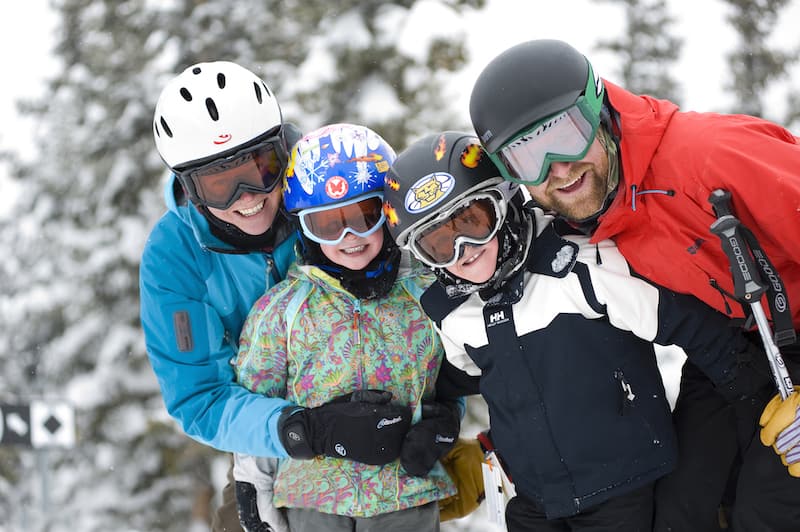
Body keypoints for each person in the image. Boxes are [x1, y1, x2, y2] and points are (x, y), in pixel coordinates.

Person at [468, 38, 800, 531]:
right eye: (527, 157)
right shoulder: (584, 213)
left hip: (789, 338)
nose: (558, 170)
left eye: (567, 135)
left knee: (767, 514)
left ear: (598, 110)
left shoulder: (707, 158)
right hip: (733, 349)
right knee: (678, 513)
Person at [382, 131, 771, 532]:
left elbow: (688, 324)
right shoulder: (452, 311)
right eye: (439, 244)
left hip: (623, 483)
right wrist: (432, 421)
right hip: (536, 497)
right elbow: (479, 379)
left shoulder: (582, 263)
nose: (464, 249)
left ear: (505, 202)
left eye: (472, 221)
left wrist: (758, 393)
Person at [140, 62, 413, 531]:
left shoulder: (329, 191)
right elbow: (199, 396)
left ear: (282, 149)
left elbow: (412, 296)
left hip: (383, 407)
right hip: (267, 436)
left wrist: (446, 409)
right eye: (219, 185)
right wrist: (300, 431)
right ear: (189, 187)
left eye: (260, 169)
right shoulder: (175, 255)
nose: (248, 197)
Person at [232, 123, 460, 532]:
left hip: (403, 493)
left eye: (363, 216)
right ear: (304, 226)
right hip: (313, 499)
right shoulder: (282, 310)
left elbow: (455, 374)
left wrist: (446, 422)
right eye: (328, 225)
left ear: (386, 211)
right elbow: (258, 397)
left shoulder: (425, 292)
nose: (349, 236)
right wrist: (253, 482)